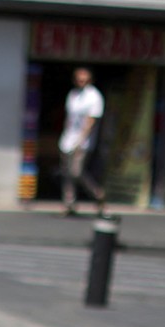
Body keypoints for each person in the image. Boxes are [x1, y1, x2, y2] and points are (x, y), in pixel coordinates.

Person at [58, 66, 106, 218]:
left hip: (83, 141)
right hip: (68, 139)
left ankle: (97, 194)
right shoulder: (73, 95)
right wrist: (65, 137)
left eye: (84, 79)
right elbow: (69, 118)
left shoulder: (94, 97)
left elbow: (91, 121)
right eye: (79, 79)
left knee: (76, 172)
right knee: (66, 173)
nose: (81, 82)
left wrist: (80, 141)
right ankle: (69, 203)